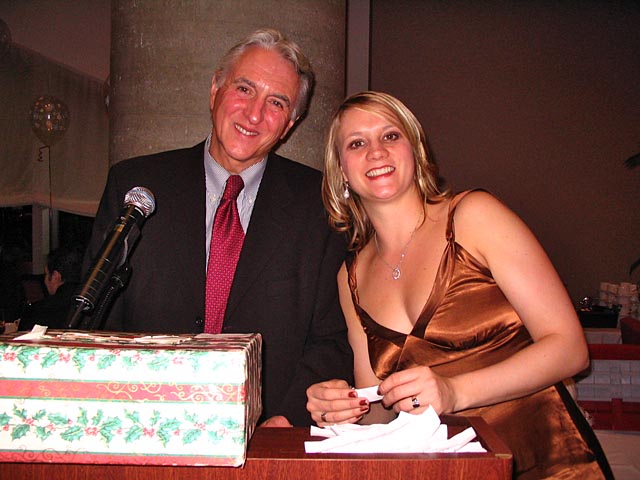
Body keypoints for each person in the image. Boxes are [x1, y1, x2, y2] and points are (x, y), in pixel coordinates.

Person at [306, 91, 612, 478]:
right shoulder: (349, 277)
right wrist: (345, 408)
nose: (376, 151)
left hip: (549, 462)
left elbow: (570, 350)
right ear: (341, 172)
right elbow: (383, 410)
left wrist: (456, 392)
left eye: (390, 135)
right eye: (356, 143)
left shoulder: (473, 217)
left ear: (416, 150)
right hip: (452, 471)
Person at [84, 29, 353, 427]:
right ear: (215, 90)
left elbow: (332, 338)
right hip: (146, 424)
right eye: (244, 89)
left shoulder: (319, 204)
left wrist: (286, 418)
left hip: (267, 433)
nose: (254, 114)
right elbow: (98, 319)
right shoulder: (137, 184)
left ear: (289, 124)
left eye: (276, 102)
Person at [20, 246, 82, 331]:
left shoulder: (39, 311)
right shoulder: (90, 309)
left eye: (46, 274)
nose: (44, 280)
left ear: (55, 276)